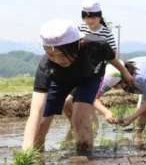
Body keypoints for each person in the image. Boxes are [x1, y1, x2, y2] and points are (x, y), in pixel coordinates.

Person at [22, 19, 134, 154]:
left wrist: (125, 72)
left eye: (62, 55)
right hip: (59, 81)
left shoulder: (96, 45)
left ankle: (85, 160)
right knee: (41, 124)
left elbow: (111, 58)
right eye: (51, 55)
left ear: (79, 43)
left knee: (80, 119)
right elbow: (35, 112)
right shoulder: (46, 66)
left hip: (89, 77)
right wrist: (26, 153)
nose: (58, 60)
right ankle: (36, 160)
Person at [63, 0, 118, 125]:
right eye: (86, 18)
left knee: (84, 104)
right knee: (67, 102)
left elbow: (112, 55)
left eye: (92, 17)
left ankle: (90, 129)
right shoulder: (79, 28)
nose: (89, 21)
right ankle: (76, 127)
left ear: (99, 16)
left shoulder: (106, 33)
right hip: (77, 72)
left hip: (94, 74)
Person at [97, 57, 146, 130]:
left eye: (117, 85)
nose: (115, 88)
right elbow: (93, 98)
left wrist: (131, 118)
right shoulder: (109, 78)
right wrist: (106, 112)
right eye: (113, 86)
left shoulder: (140, 78)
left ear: (125, 79)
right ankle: (139, 137)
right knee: (142, 111)